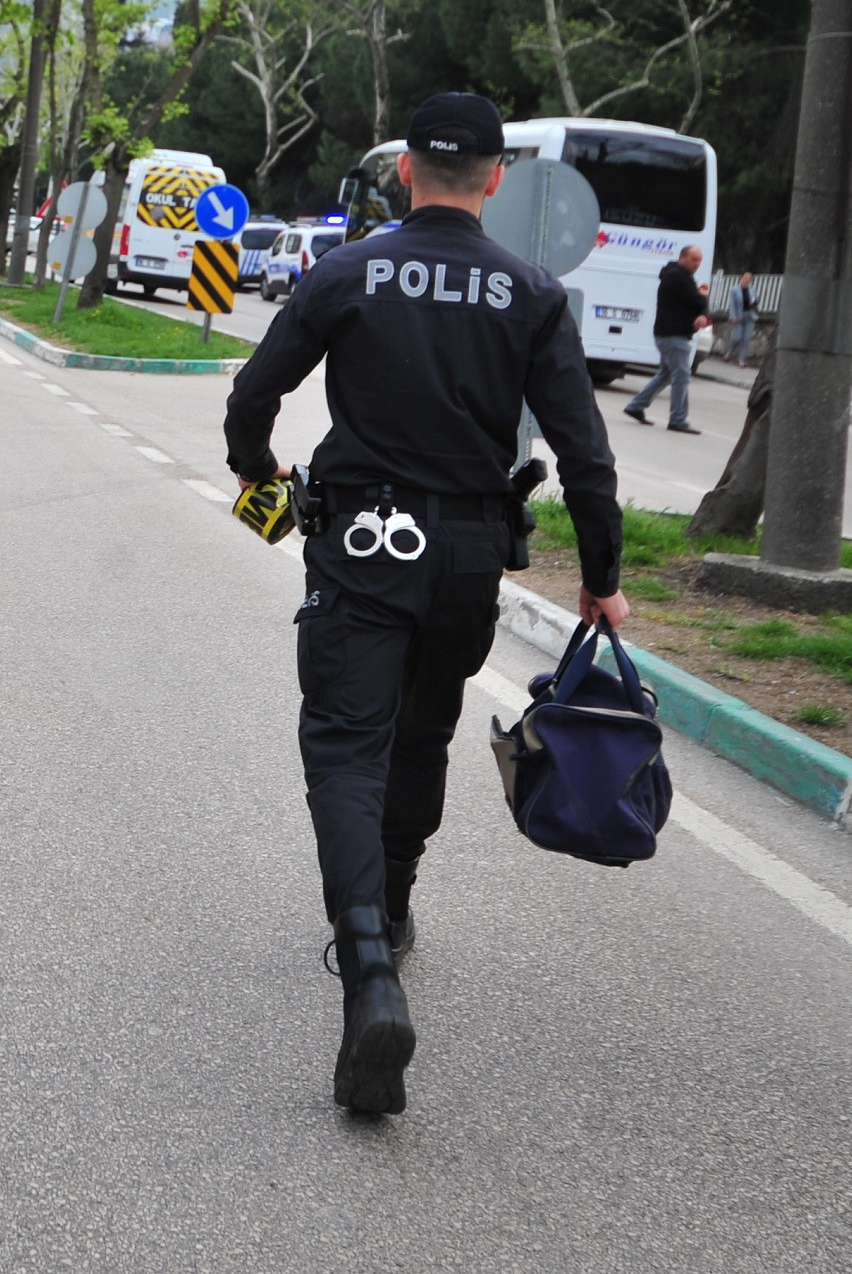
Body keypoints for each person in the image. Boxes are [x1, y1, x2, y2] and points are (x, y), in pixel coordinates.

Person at [224, 91, 626, 1121]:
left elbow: (252, 399)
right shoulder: (532, 291)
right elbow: (584, 454)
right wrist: (603, 576)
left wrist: (259, 480)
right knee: (421, 734)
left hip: (360, 545)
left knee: (346, 747)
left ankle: (368, 971)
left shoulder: (347, 271)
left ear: (406, 171)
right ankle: (396, 907)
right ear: (495, 177)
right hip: (464, 556)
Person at [621, 246, 709, 432]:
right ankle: (678, 419)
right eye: (694, 259)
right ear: (683, 257)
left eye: (700, 260)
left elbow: (696, 302)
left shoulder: (679, 276)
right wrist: (702, 301)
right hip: (673, 335)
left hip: (667, 334)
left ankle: (636, 406)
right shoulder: (678, 277)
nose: (698, 264)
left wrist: (701, 308)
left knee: (667, 373)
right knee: (681, 375)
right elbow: (697, 300)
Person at [727, 268, 759, 364]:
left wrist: (753, 303)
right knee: (737, 338)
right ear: (741, 278)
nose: (747, 280)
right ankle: (729, 352)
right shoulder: (734, 290)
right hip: (738, 317)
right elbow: (732, 304)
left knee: (746, 339)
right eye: (745, 278)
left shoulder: (753, 290)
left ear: (751, 281)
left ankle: (741, 360)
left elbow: (756, 303)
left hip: (750, 317)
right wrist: (733, 316)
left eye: (749, 279)